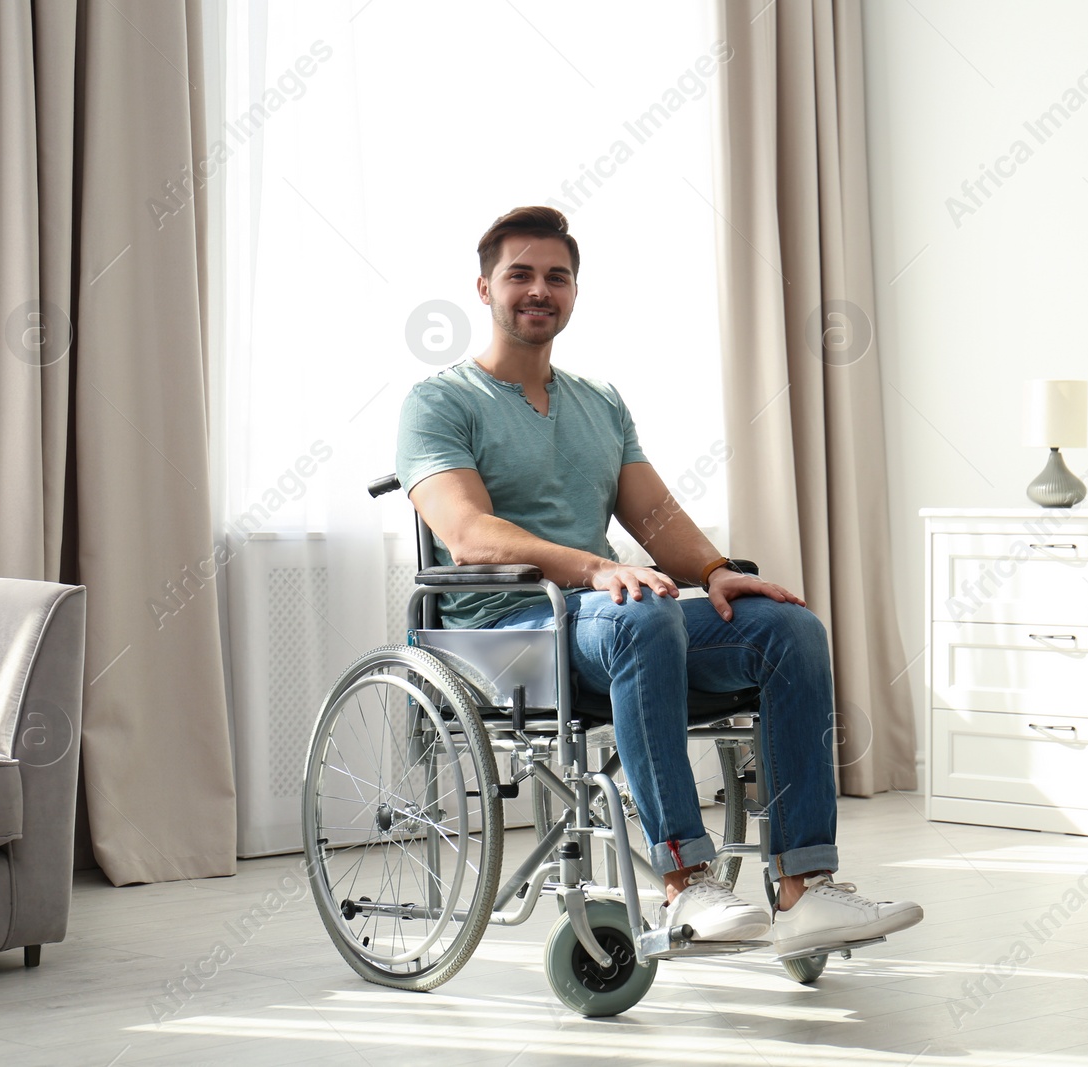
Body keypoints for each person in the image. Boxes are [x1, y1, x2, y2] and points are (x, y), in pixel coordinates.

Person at [395, 206, 922, 957]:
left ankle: (806, 889)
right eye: (520, 274)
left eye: (557, 276)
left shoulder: (598, 401)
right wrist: (599, 568)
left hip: (599, 616)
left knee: (787, 628)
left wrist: (714, 572)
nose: (539, 289)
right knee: (642, 613)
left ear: (574, 292)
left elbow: (655, 516)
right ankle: (687, 881)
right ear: (483, 288)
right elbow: (470, 533)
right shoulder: (441, 401)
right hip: (508, 629)